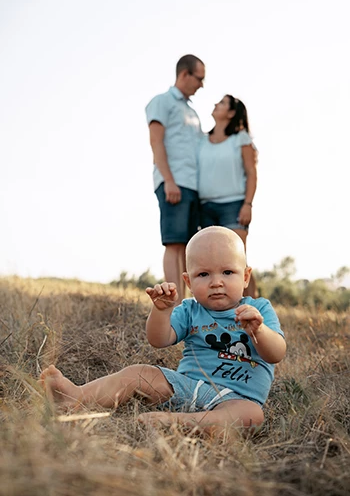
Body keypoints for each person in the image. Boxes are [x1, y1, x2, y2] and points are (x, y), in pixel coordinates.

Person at [40, 226, 286, 437]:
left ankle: (180, 423)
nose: (216, 282)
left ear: (245, 276)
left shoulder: (258, 309)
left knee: (253, 416)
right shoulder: (190, 310)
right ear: (188, 282)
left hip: (236, 400)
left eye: (227, 272)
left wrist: (259, 331)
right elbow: (159, 340)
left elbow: (276, 354)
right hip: (186, 388)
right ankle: (76, 397)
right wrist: (161, 311)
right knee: (139, 374)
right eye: (203, 274)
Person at [145, 54, 205, 304]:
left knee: (189, 248)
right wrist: (168, 180)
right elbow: (156, 142)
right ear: (184, 74)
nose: (201, 84)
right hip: (174, 182)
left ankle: (187, 301)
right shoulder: (162, 102)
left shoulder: (192, 112)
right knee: (174, 243)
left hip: (193, 186)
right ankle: (174, 302)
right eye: (199, 78)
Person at [198, 95, 259, 298]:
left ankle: (253, 310)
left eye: (222, 103)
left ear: (231, 113)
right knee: (210, 262)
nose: (216, 104)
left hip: (233, 205)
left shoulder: (240, 138)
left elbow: (251, 172)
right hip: (205, 206)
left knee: (237, 261)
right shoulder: (201, 140)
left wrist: (247, 204)